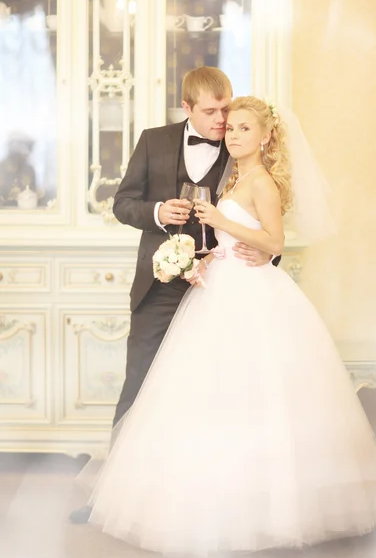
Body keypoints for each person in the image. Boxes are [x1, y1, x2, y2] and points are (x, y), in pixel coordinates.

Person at [86, 96, 376, 555]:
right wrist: (208, 257)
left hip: (252, 295)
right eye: (230, 128)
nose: (232, 135)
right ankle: (211, 498)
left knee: (256, 394)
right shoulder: (237, 177)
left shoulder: (263, 182)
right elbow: (236, 240)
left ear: (266, 136)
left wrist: (215, 220)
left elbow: (274, 241)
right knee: (210, 397)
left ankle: (263, 507)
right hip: (222, 286)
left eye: (243, 129)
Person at [69, 67, 274, 524]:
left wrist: (268, 258)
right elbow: (122, 203)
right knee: (139, 386)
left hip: (224, 286)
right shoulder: (153, 139)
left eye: (226, 109)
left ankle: (205, 499)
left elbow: (268, 210)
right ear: (186, 108)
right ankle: (107, 497)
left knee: (219, 390)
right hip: (161, 283)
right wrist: (159, 211)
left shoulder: (242, 142)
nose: (222, 121)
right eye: (211, 112)